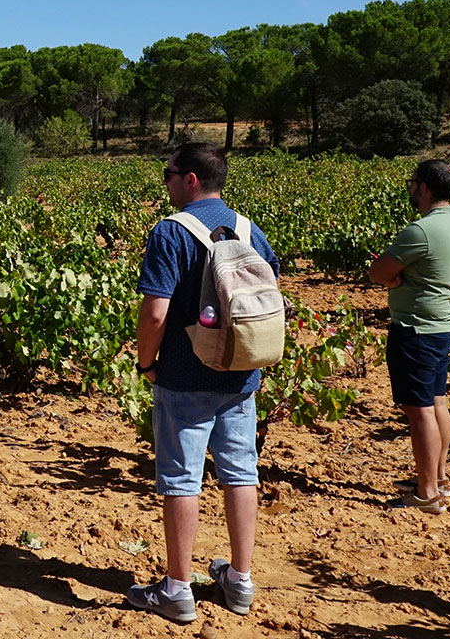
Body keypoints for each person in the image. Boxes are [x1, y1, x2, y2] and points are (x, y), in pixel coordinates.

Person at [130, 143, 278, 623]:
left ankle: (176, 589)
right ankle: (240, 580)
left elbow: (155, 313)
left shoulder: (171, 233)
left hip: (183, 374)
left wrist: (147, 364)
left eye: (169, 172)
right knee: (240, 472)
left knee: (180, 478)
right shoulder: (248, 229)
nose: (166, 180)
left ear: (191, 178)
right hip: (240, 374)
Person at [368, 159, 450, 514]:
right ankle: (438, 479)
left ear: (425, 187)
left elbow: (378, 271)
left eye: (413, 182)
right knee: (437, 401)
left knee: (420, 411)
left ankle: (426, 493)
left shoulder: (421, 231)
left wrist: (392, 278)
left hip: (416, 329)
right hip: (444, 325)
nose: (410, 187)